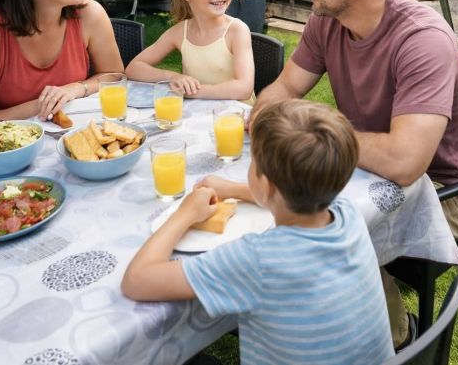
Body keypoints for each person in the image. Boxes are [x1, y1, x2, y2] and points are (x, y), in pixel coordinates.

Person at [251, 0, 458, 350]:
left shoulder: (423, 39)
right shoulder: (327, 19)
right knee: (282, 210)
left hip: (442, 191)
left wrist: (318, 131)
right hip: (363, 172)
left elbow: (404, 162)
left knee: (326, 237)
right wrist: (262, 112)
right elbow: (284, 88)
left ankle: (397, 339)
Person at [122, 99, 394, 365]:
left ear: (266, 185)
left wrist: (184, 215)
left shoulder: (257, 259)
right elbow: (284, 193)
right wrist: (232, 188)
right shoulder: (348, 212)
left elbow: (137, 281)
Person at [126, 0, 254, 100]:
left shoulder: (237, 31)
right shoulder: (180, 32)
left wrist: (194, 92)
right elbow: (134, 68)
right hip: (198, 115)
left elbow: (244, 88)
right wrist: (173, 77)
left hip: (235, 119)